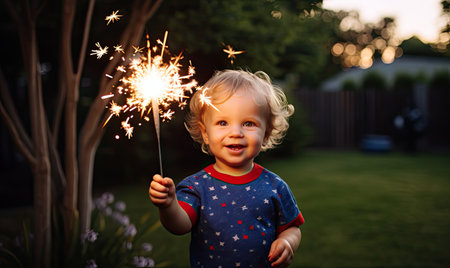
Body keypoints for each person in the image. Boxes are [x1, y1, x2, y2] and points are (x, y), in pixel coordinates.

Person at [149, 69, 304, 267]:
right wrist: (168, 204)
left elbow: (292, 228)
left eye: (249, 123)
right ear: (205, 133)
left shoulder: (275, 186)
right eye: (223, 122)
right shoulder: (195, 187)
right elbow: (180, 225)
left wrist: (286, 242)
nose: (236, 133)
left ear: (266, 133)